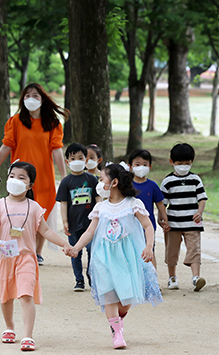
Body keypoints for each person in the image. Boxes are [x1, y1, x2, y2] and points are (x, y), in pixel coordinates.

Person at [68, 164, 162, 349]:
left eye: (101, 179)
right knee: (108, 293)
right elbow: (90, 231)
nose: (99, 183)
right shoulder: (100, 207)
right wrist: (76, 248)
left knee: (125, 299)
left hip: (127, 256)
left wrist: (149, 246)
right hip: (103, 256)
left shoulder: (133, 204)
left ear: (114, 182)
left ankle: (118, 317)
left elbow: (148, 225)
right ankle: (117, 333)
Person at [0, 161, 72, 352]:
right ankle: (9, 327)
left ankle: (28, 336)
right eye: (12, 176)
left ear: (30, 185)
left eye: (21, 177)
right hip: (3, 258)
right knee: (6, 297)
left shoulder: (34, 207)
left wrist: (64, 243)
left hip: (25, 257)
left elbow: (46, 231)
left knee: (25, 295)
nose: (15, 180)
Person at [0, 82, 68, 266]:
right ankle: (16, 249)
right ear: (23, 99)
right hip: (19, 178)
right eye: (27, 96)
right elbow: (6, 147)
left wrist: (64, 176)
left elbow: (57, 150)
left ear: (43, 99)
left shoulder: (52, 124)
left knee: (41, 215)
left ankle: (36, 253)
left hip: (44, 176)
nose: (31, 99)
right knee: (18, 214)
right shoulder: (15, 122)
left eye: (36, 96)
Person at [160, 143, 208, 292]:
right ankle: (172, 278)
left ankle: (195, 278)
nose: (183, 166)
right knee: (171, 251)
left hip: (192, 222)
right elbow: (162, 204)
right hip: (173, 223)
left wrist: (199, 213)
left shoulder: (195, 179)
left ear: (192, 162)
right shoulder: (167, 181)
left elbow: (202, 198)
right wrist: (161, 220)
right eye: (180, 163)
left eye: (187, 163)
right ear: (172, 162)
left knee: (194, 249)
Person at [56, 143, 100, 291]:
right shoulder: (66, 182)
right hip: (73, 224)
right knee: (75, 252)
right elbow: (63, 203)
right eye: (73, 158)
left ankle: (91, 274)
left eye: (80, 158)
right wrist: (65, 221)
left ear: (86, 160)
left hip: (90, 224)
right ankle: (79, 280)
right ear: (67, 162)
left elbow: (98, 199)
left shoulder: (92, 179)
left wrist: (99, 215)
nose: (77, 161)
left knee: (92, 250)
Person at [128, 149, 168, 269]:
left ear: (150, 167)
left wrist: (164, 218)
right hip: (130, 225)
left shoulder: (152, 185)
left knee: (149, 252)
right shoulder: (127, 185)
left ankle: (153, 281)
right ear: (130, 166)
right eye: (137, 164)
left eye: (145, 165)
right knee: (132, 253)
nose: (141, 167)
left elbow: (160, 204)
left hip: (148, 226)